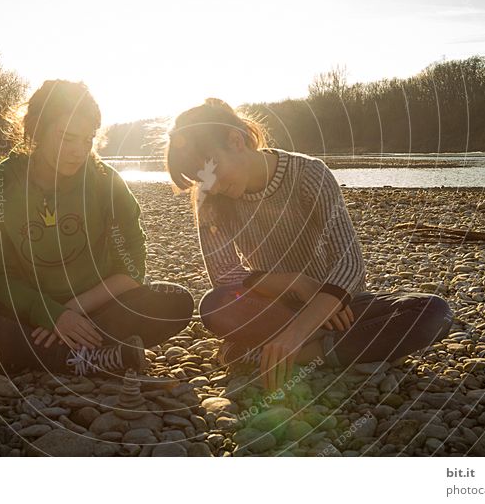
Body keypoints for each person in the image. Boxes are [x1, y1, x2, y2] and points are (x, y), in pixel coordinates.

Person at [165, 98, 454, 391]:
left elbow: (349, 263)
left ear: (235, 140)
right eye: (198, 180)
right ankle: (341, 351)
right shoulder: (210, 201)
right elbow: (224, 276)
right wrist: (295, 283)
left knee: (433, 313)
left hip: (339, 306)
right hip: (275, 306)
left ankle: (288, 354)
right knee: (214, 305)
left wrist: (297, 333)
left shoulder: (308, 174)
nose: (209, 186)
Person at [0, 80, 193, 378]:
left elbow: (133, 270)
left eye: (87, 139)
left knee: (175, 301)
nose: (78, 151)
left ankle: (31, 356)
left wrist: (72, 311)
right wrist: (50, 315)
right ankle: (88, 359)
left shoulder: (105, 182)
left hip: (96, 312)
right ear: (37, 129)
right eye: (67, 138)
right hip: (28, 315)